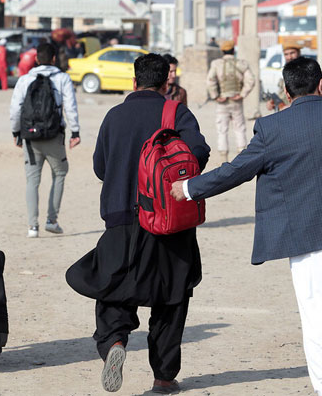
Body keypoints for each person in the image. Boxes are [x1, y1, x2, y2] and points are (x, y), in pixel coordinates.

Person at [170, 57, 322, 396]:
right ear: (321, 85)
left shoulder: (272, 128)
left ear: (285, 91)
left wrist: (190, 188)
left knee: (319, 318)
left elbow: (236, 171)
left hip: (312, 238)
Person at [66, 53, 210, 394]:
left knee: (113, 289)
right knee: (171, 297)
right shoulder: (176, 113)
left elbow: (101, 167)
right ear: (166, 84)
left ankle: (114, 342)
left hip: (120, 219)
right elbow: (198, 154)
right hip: (168, 220)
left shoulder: (114, 116)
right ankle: (163, 376)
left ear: (134, 82)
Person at [9, 43, 80, 238]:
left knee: (32, 180)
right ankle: (52, 220)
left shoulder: (25, 79)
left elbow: (15, 109)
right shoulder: (63, 78)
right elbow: (70, 106)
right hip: (54, 135)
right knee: (60, 173)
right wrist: (75, 132)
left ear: (37, 59)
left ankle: (32, 227)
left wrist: (16, 132)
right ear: (54, 59)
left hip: (30, 137)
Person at [206, 40, 256, 162]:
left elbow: (210, 80)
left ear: (222, 51)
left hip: (222, 101)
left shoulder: (216, 64)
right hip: (236, 101)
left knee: (222, 130)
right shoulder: (241, 63)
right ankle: (242, 158)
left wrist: (215, 96)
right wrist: (242, 94)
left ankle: (224, 159)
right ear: (234, 50)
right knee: (239, 128)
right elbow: (251, 80)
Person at [267, 44, 302, 111]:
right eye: (286, 54)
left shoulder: (305, 71)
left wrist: (290, 106)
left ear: (299, 53)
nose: (289, 57)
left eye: (292, 53)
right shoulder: (287, 70)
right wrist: (272, 102)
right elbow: (282, 92)